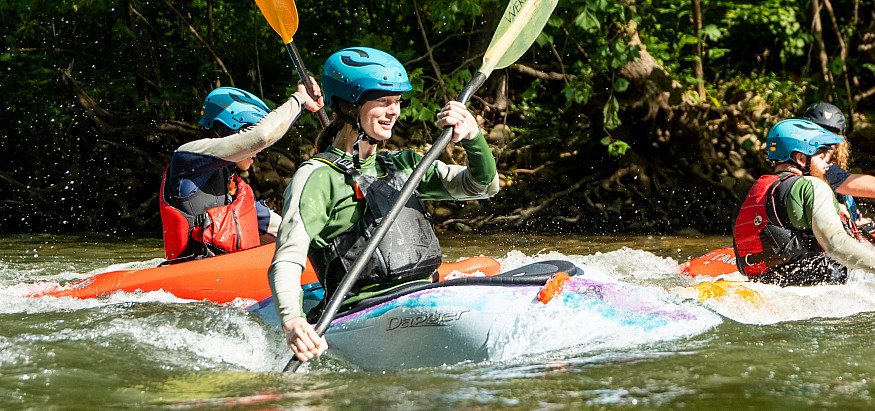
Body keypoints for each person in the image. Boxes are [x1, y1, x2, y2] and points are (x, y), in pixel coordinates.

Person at [267, 47, 500, 362]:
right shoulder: (318, 178)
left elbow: (483, 187)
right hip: (362, 313)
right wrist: (293, 320)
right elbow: (287, 259)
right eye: (383, 101)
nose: (395, 111)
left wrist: (472, 136)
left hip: (424, 295)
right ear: (349, 105)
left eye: (398, 102)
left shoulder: (404, 164)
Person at [159, 81, 324, 262]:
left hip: (225, 274)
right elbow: (261, 136)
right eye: (247, 132)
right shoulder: (186, 160)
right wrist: (299, 100)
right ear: (226, 130)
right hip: (189, 276)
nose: (257, 149)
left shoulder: (235, 189)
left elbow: (286, 231)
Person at [733, 119, 875, 287]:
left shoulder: (753, 191)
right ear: (801, 158)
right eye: (821, 158)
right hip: (815, 290)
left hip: (763, 284)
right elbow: (835, 245)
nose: (826, 165)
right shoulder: (813, 186)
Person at [803, 102, 875, 240]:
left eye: (831, 135)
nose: (825, 141)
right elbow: (852, 183)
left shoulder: (827, 167)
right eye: (820, 133)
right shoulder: (811, 166)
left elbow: (853, 218)